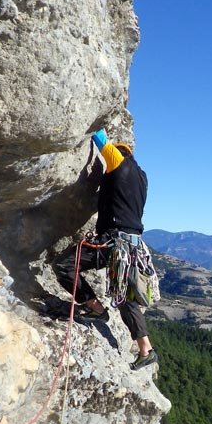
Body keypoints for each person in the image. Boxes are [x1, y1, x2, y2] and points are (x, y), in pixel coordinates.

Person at [53, 131, 158, 371]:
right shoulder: (142, 177)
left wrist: (94, 124)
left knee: (64, 265)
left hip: (114, 242)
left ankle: (95, 308)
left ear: (120, 154)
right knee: (125, 297)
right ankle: (146, 349)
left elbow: (100, 138)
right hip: (132, 246)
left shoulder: (119, 161)